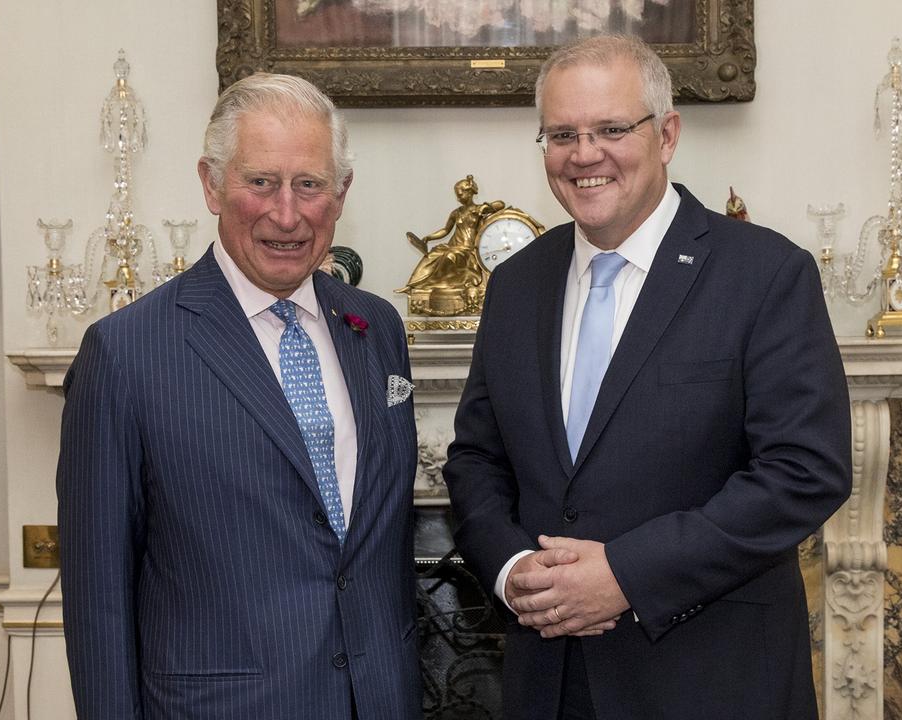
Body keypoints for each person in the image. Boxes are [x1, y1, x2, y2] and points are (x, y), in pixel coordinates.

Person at [444, 35, 851, 720]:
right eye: (562, 134)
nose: (584, 154)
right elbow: (477, 459)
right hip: (550, 680)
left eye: (610, 129)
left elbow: (804, 471)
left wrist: (626, 575)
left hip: (711, 681)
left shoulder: (765, 274)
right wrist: (514, 571)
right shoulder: (516, 285)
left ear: (666, 135)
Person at [57, 73, 422, 720]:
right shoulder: (125, 355)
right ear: (211, 184)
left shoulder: (377, 330)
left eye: (309, 184)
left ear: (340, 195)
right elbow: (98, 601)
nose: (287, 213)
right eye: (261, 183)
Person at [397, 175, 504, 314]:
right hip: (454, 245)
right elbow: (446, 230)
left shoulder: (478, 210)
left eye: (460, 194)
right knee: (433, 254)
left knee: (450, 256)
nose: (459, 198)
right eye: (457, 195)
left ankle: (435, 284)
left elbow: (500, 204)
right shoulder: (456, 212)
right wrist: (429, 237)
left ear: (470, 192)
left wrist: (485, 207)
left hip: (469, 249)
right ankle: (415, 285)